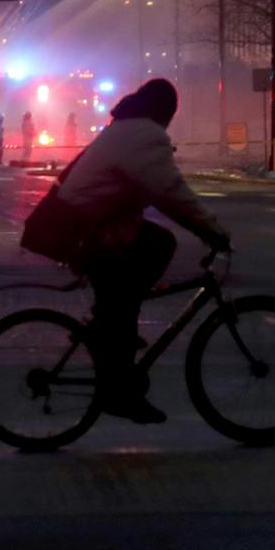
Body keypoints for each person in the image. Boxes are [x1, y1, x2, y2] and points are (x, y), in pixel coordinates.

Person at [56, 78, 230, 424]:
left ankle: (111, 325)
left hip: (87, 225)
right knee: (150, 258)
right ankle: (118, 390)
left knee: (147, 256)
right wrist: (213, 232)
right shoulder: (143, 136)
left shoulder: (125, 128)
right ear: (165, 112)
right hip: (89, 231)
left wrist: (203, 228)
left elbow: (161, 195)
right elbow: (170, 192)